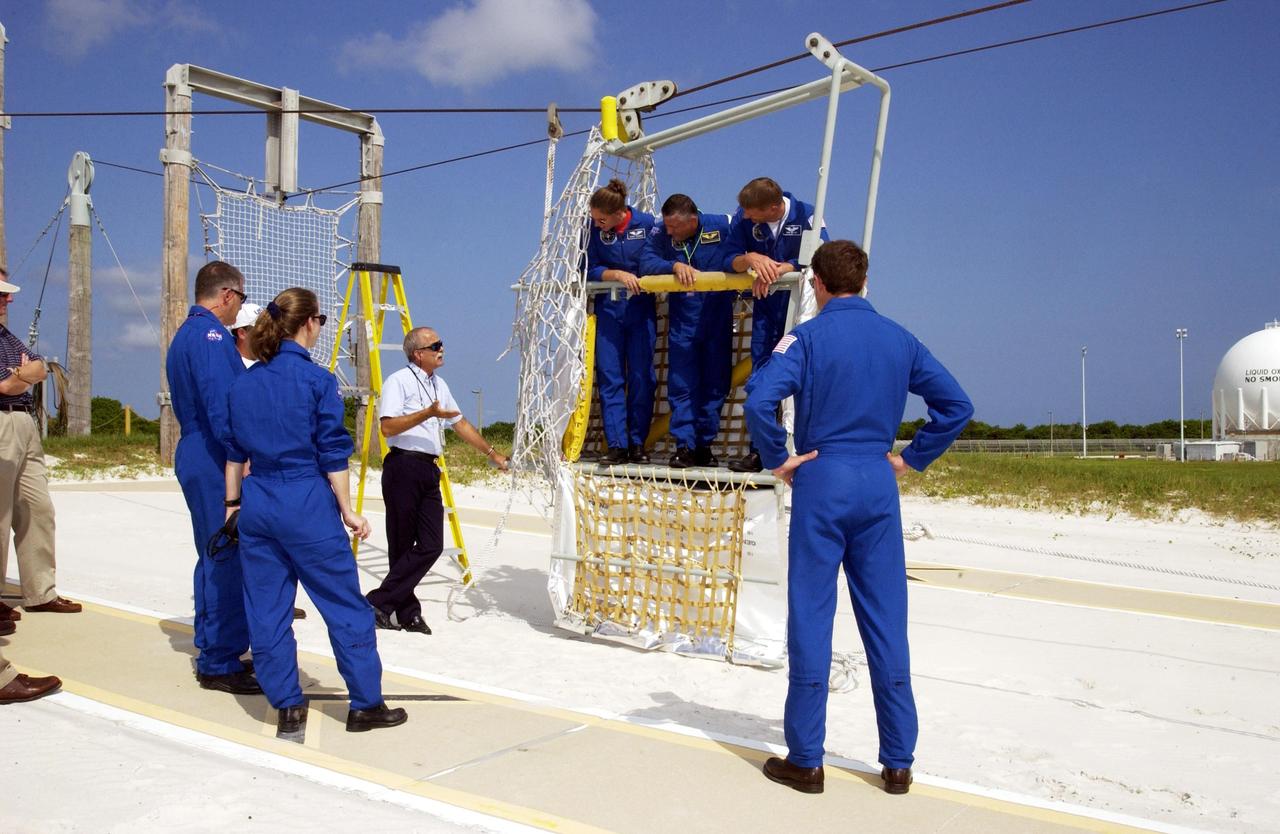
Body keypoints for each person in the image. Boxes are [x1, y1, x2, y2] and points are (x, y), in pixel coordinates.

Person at [743, 240, 972, 796]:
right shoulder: (900, 338)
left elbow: (758, 401)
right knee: (887, 621)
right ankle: (897, 762)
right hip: (876, 481)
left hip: (821, 479)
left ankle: (806, 759)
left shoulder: (807, 337)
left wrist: (778, 457)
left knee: (813, 617)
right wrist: (910, 457)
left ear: (817, 284)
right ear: (865, 283)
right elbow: (957, 406)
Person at [223, 288, 405, 734]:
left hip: (258, 501)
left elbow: (233, 454)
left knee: (267, 610)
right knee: (344, 605)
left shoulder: (244, 383)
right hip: (305, 500)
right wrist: (348, 511)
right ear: (308, 323)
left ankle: (286, 702)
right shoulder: (319, 381)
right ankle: (365, 704)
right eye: (321, 318)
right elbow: (332, 455)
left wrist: (232, 508)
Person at [366, 327, 508, 634]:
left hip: (428, 468)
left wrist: (492, 452)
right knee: (401, 545)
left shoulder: (438, 384)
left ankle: (378, 601)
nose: (442, 349)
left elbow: (460, 423)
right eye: (435, 345)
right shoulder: (398, 381)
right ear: (419, 354)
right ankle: (406, 612)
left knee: (432, 545)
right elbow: (388, 427)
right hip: (402, 465)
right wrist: (426, 413)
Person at [166, 260, 259, 695]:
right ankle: (220, 660)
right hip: (212, 453)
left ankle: (214, 647)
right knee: (226, 553)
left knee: (213, 551)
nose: (238, 308)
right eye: (239, 299)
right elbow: (222, 405)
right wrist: (240, 456)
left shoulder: (186, 333)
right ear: (226, 295)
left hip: (197, 447)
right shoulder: (210, 336)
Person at [725, 177, 829, 472]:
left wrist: (787, 267)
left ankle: (803, 450)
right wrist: (750, 258)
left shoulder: (808, 215)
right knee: (762, 379)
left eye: (752, 213)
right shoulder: (744, 217)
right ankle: (760, 451)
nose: (746, 217)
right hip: (765, 309)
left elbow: (824, 257)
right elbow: (727, 258)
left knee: (802, 378)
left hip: (802, 312)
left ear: (773, 208)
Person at [0, 267, 81, 622]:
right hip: (3, 419)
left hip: (22, 421)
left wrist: (21, 376)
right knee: (0, 515)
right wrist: (21, 375)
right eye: (3, 293)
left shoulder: (6, 336)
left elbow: (40, 369)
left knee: (37, 508)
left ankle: (39, 592)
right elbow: (8, 385)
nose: (10, 299)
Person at [637, 194, 738, 468]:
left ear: (693, 220)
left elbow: (743, 247)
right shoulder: (662, 230)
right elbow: (645, 262)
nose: (670, 232)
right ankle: (685, 447)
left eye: (675, 227)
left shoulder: (723, 225)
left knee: (716, 385)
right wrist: (673, 265)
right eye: (668, 227)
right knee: (682, 386)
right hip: (683, 322)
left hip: (718, 319)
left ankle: (704, 445)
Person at [585, 179, 657, 464]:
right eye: (595, 219)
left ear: (619, 213)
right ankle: (616, 444)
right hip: (609, 309)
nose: (598, 224)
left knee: (642, 377)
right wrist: (615, 274)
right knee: (610, 377)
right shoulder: (593, 230)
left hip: (641, 308)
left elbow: (658, 256)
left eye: (602, 219)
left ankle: (637, 443)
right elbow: (587, 266)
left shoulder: (648, 224)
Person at [231, 302, 265, 368]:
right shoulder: (229, 367)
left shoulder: (271, 362)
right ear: (242, 333)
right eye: (260, 330)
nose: (267, 333)